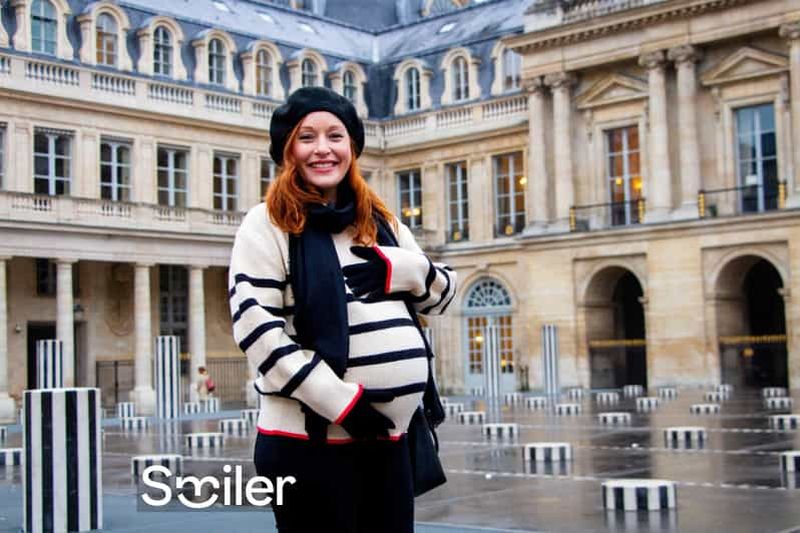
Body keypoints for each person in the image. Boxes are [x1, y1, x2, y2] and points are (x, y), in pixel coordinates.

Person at [228, 86, 457, 532]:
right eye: (307, 137)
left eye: (335, 135)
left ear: (352, 146)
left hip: (389, 442)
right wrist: (341, 404)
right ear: (287, 149)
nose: (323, 149)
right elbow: (258, 331)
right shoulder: (267, 223)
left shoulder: (381, 222)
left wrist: (402, 268)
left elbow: (443, 293)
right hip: (308, 444)